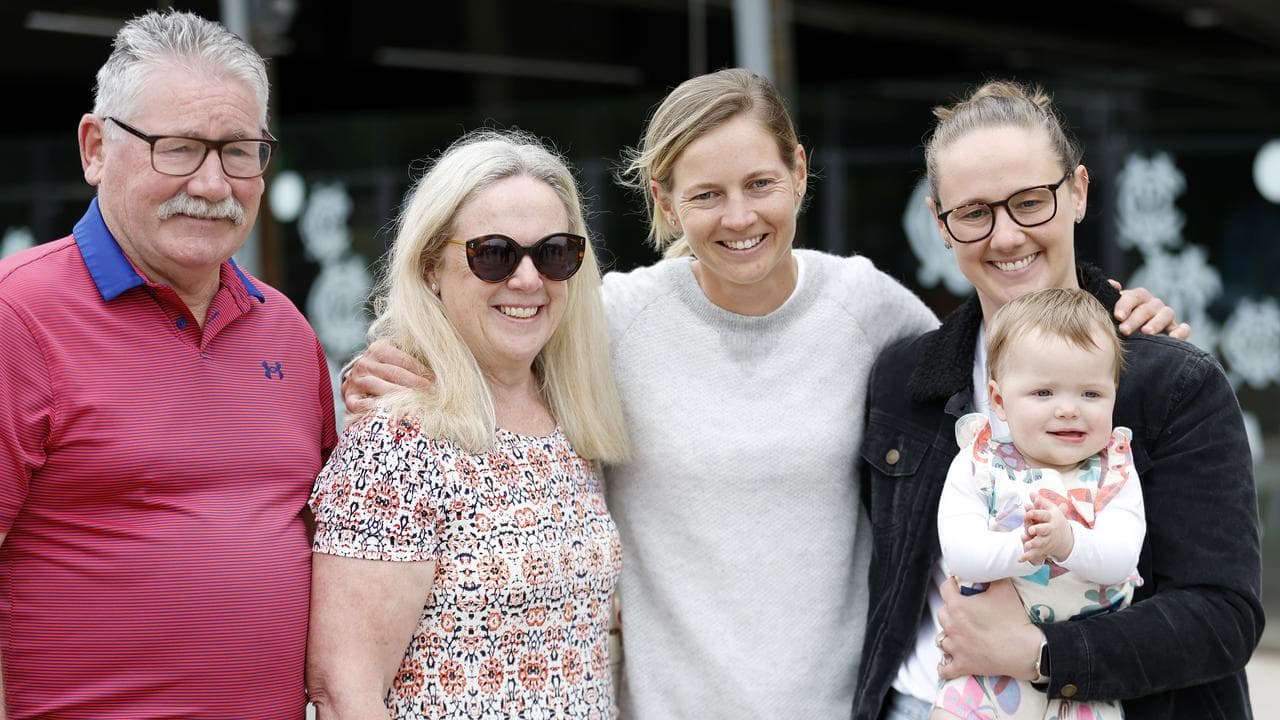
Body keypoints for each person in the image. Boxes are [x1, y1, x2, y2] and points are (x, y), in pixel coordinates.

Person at [341, 70, 1177, 720]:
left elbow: (1007, 353)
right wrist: (393, 360)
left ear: (801, 171)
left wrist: (1113, 308)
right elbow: (494, 325)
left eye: (759, 183)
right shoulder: (609, 321)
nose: (738, 216)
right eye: (705, 194)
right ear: (664, 201)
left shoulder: (869, 308)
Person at [855, 80, 1262, 720]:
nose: (1007, 236)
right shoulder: (905, 378)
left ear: (1077, 191)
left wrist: (1041, 653)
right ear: (941, 224)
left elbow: (1223, 618)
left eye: (1029, 202)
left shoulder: (1169, 382)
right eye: (974, 212)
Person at [0, 10, 337, 719]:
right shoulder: (18, 317)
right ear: (95, 148)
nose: (215, 184)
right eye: (179, 148)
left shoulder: (285, 332)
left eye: (240, 151)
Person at [304, 128, 631, 719]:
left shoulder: (571, 419)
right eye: (494, 254)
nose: (528, 280)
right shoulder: (397, 442)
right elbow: (343, 691)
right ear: (432, 266)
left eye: (554, 252)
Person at [933, 288, 1145, 720]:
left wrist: (1066, 543)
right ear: (999, 401)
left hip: (1079, 685)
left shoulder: (1114, 471)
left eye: (1090, 394)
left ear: (1114, 395)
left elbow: (1121, 560)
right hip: (983, 685)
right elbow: (962, 554)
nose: (1068, 410)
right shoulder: (979, 462)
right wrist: (1025, 548)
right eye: (1044, 393)